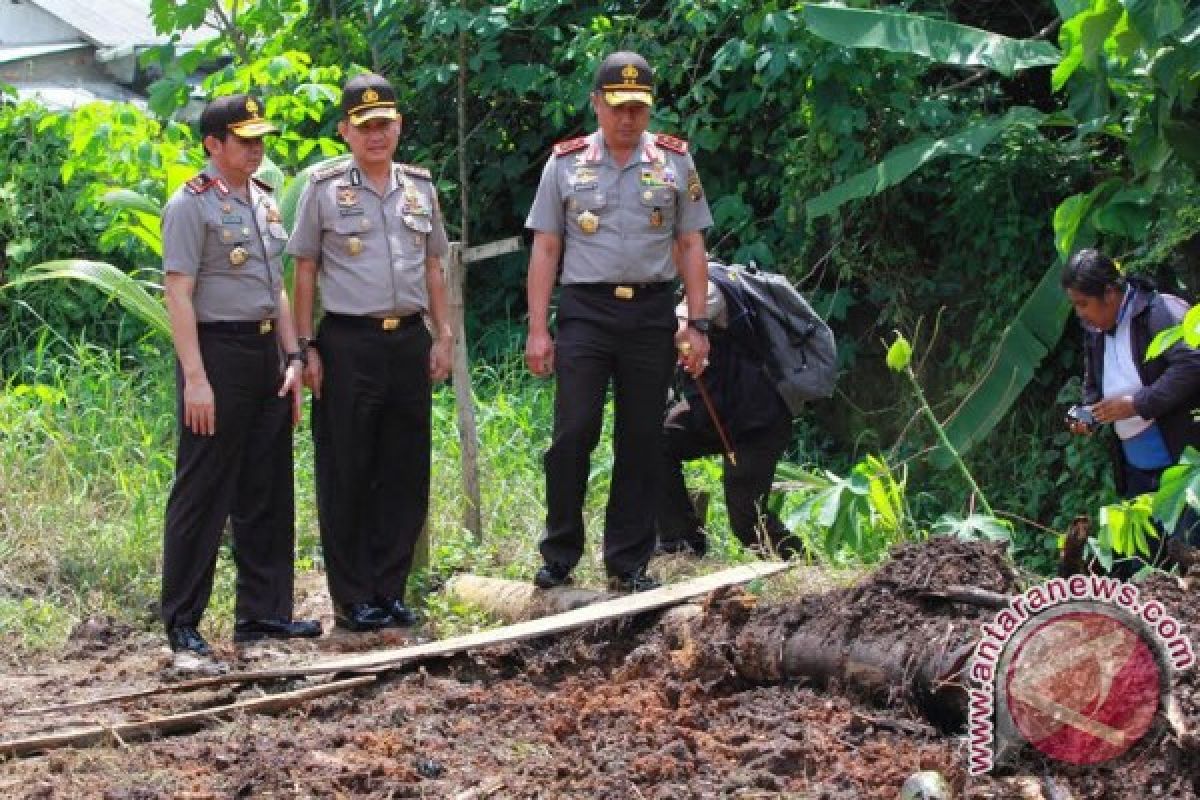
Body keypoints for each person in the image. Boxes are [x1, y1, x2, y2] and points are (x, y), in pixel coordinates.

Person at [524, 51, 713, 592]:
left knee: (641, 438)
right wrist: (539, 329)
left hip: (652, 313)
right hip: (587, 311)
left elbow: (691, 243)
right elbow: (545, 248)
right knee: (573, 432)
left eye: (638, 107)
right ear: (596, 104)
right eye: (617, 106)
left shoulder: (675, 162)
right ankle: (559, 552)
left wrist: (695, 322)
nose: (628, 118)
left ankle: (627, 562)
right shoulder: (565, 163)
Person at [288, 73, 453, 632]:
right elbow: (305, 271)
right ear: (346, 132)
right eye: (365, 126)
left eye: (384, 124)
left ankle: (390, 589)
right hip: (348, 343)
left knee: (405, 470)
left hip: (408, 340)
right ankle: (353, 597)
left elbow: (434, 267)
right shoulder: (324, 188)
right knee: (347, 469)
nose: (376, 135)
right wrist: (304, 346)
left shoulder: (420, 189)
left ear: (398, 126)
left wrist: (445, 334)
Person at [160, 94, 321, 657]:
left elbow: (273, 284)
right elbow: (177, 294)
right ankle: (182, 621)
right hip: (216, 353)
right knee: (203, 489)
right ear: (213, 144)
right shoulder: (190, 203)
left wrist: (294, 359)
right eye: (245, 140)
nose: (257, 149)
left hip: (264, 357)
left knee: (267, 488)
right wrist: (195, 378)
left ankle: (264, 614)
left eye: (260, 140)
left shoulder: (262, 200)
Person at [1062, 248, 1200, 567]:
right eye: (1075, 305)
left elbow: (1191, 365)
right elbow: (1094, 387)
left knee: (1188, 562)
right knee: (1147, 567)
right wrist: (1088, 416)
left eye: (1084, 304)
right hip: (1136, 470)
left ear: (1109, 293)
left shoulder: (1157, 312)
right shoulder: (1094, 332)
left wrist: (1137, 404)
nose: (1080, 313)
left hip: (1181, 464)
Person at [655, 275, 802, 559]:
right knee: (655, 441)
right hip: (712, 413)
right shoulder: (684, 291)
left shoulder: (711, 288)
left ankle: (802, 565)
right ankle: (682, 544)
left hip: (756, 422)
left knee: (747, 523)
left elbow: (679, 328)